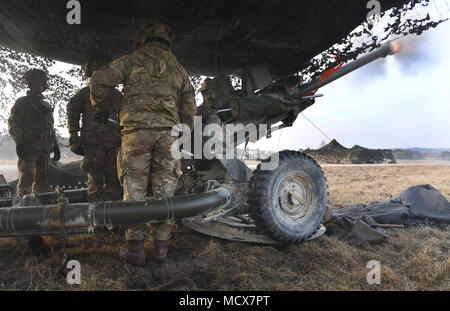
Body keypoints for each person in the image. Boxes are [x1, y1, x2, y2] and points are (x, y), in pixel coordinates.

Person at [90, 20, 196, 266]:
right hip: (168, 135)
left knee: (134, 191)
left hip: (135, 134)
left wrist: (100, 106)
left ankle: (135, 250)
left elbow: (98, 81)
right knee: (165, 192)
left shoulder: (131, 60)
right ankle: (161, 250)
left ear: (142, 39)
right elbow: (190, 110)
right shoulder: (179, 69)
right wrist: (182, 133)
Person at [67, 58, 123, 202]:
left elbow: (126, 119)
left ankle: (113, 220)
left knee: (114, 183)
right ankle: (97, 220)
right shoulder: (84, 94)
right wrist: (74, 138)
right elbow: (72, 114)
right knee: (95, 184)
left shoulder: (117, 95)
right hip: (93, 144)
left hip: (113, 145)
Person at [8, 69, 60, 196]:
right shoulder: (22, 103)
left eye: (41, 83)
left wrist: (56, 146)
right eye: (36, 83)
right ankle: (21, 208)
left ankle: (40, 208)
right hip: (28, 149)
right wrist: (19, 143)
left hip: (44, 150)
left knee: (42, 183)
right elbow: (13, 124)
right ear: (30, 85)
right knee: (26, 179)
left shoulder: (46, 105)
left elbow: (50, 128)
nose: (39, 86)